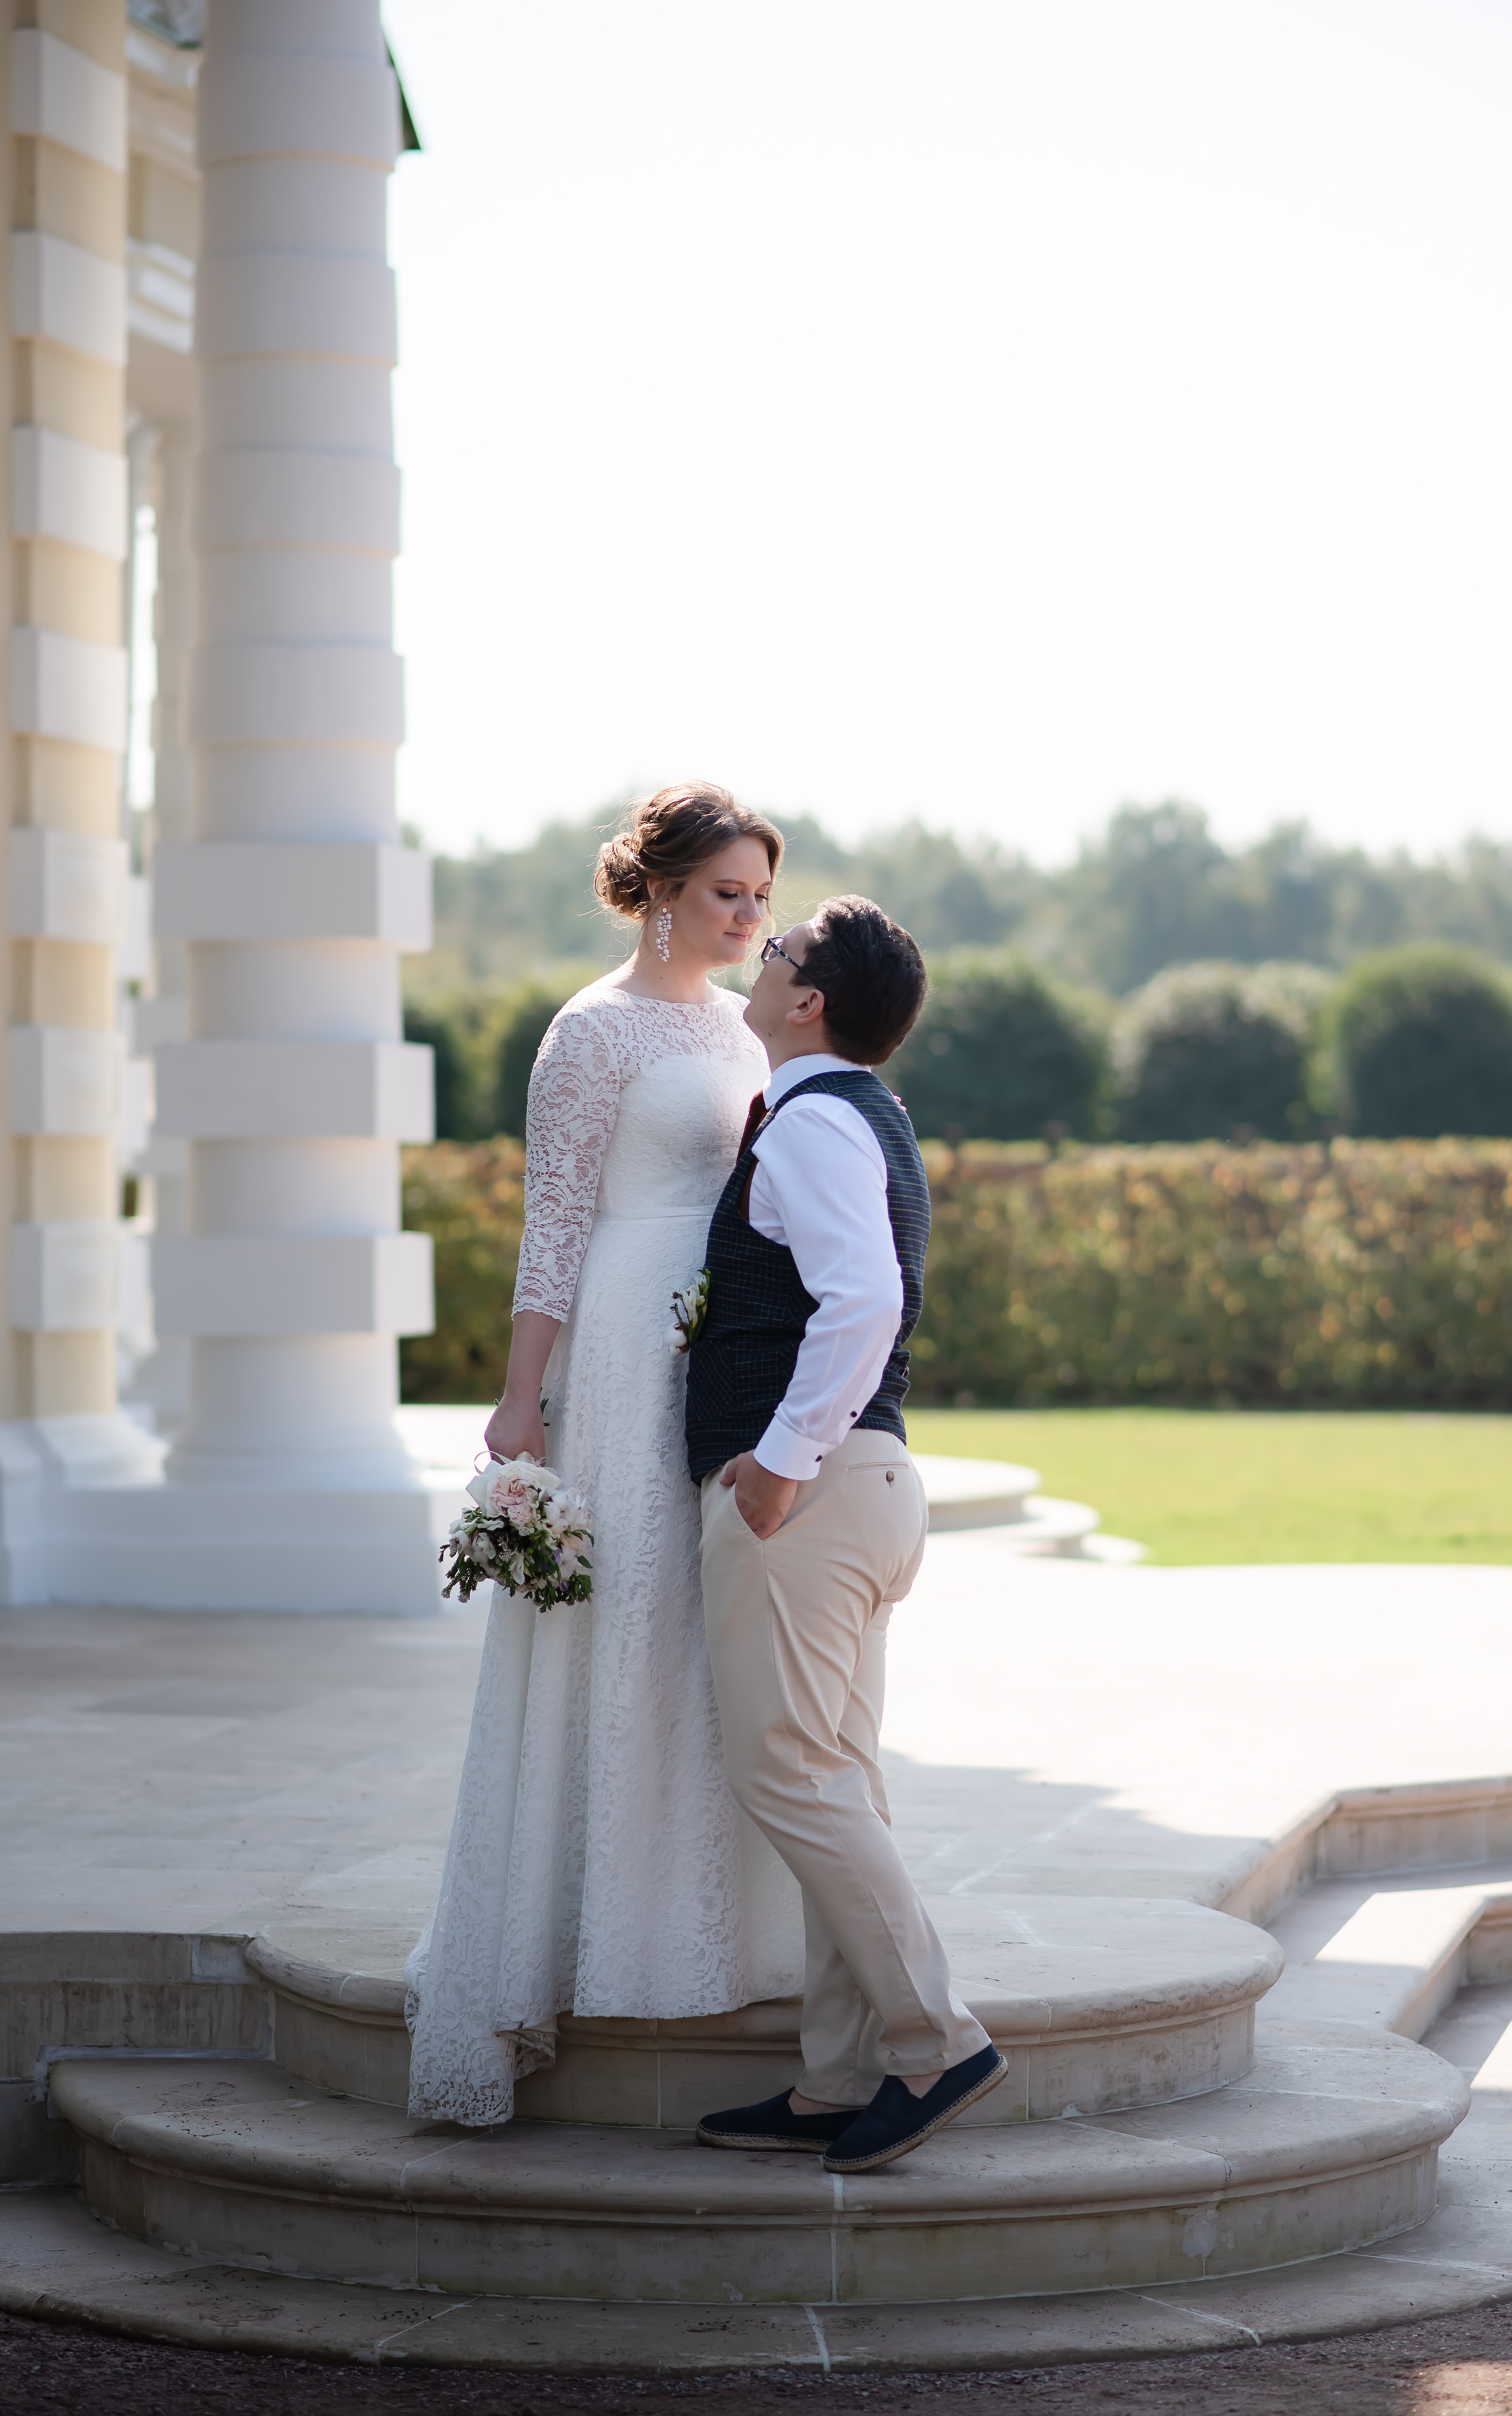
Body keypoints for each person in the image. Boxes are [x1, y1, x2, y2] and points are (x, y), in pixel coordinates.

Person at [405, 784, 801, 2127]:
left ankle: (705, 1928)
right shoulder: (591, 1030)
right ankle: (572, 1936)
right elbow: (557, 1220)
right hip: (626, 1350)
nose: (748, 918)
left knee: (704, 1620)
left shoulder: (749, 1028)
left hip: (724, 1347)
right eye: (725, 894)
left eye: (760, 897)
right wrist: (524, 1403)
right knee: (619, 1612)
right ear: (660, 893)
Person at [687, 899, 1006, 2173]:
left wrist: (778, 1459)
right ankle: (832, 2080)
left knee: (788, 1774)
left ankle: (935, 2041)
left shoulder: (814, 1120)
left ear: (807, 998)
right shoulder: (853, 1114)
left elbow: (861, 1297)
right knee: (834, 1779)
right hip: (866, 1491)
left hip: (815, 1497)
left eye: (776, 951)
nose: (758, 960)